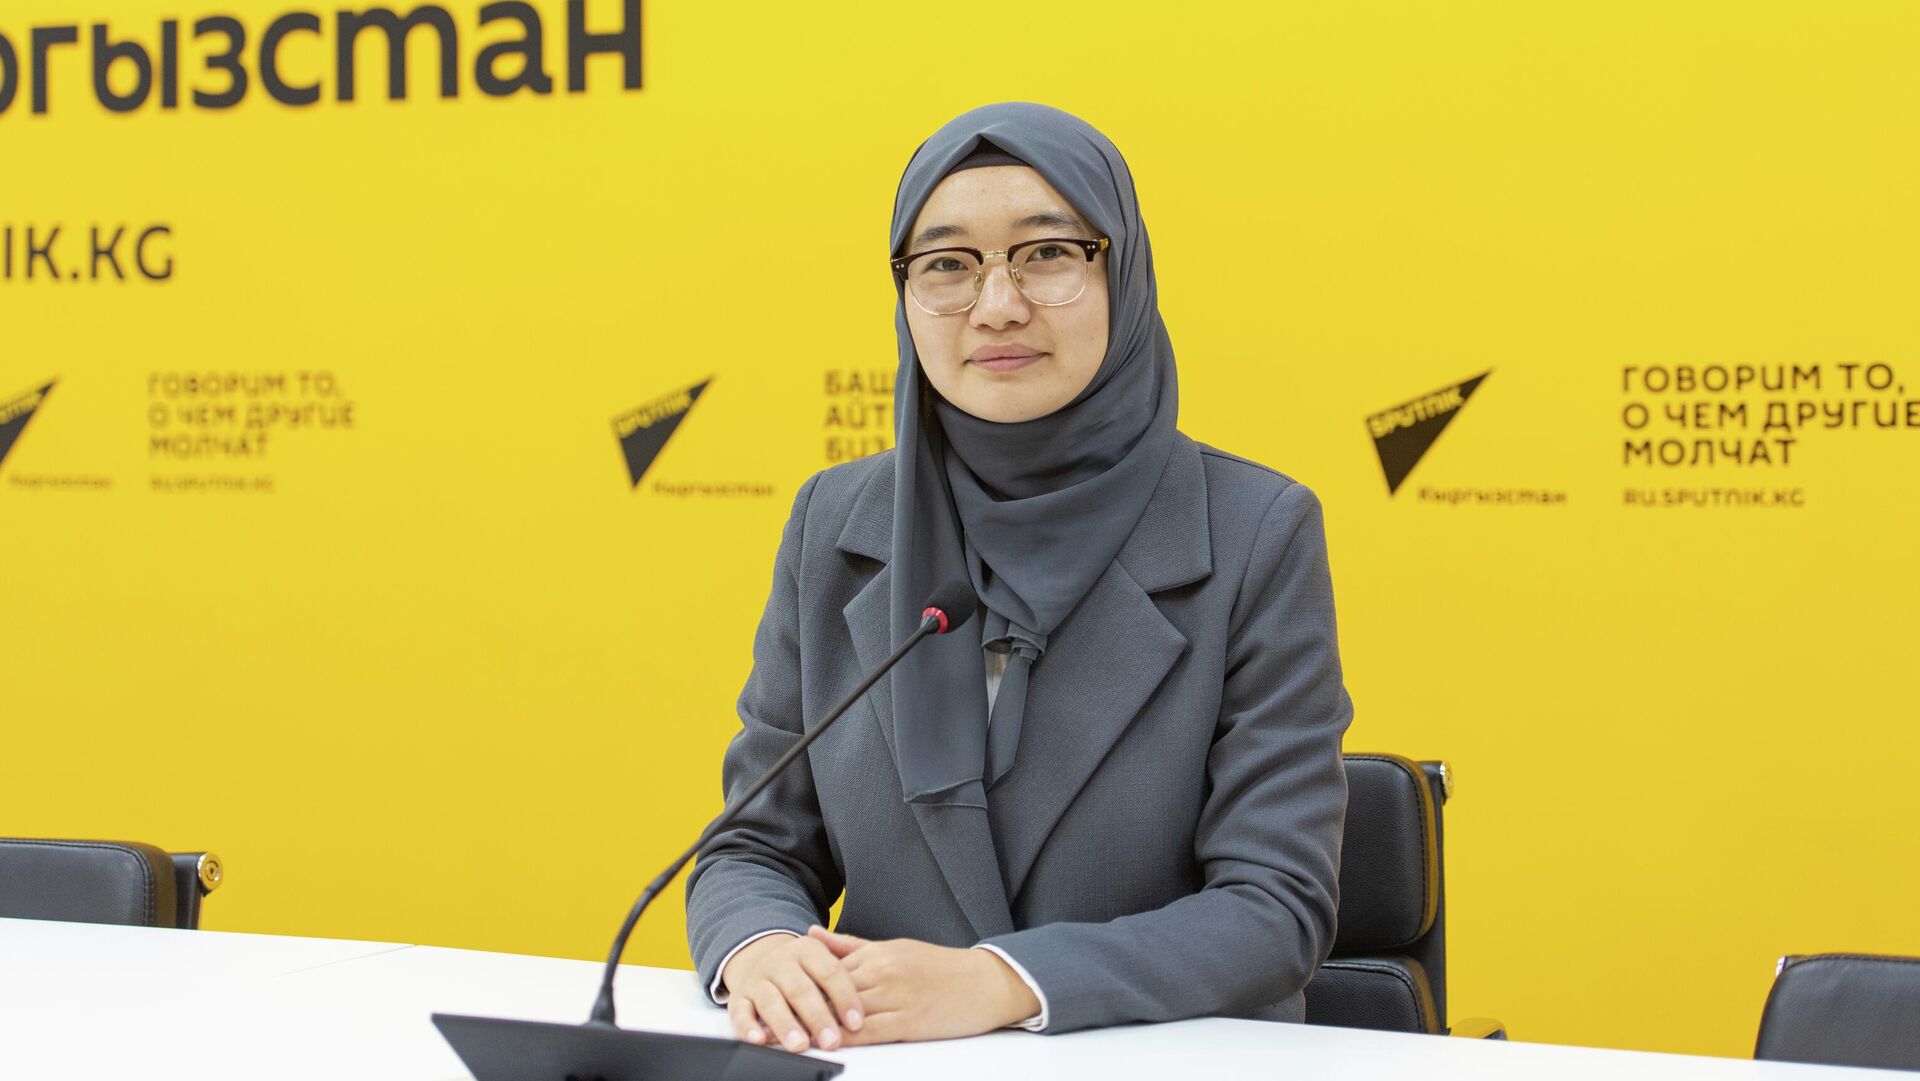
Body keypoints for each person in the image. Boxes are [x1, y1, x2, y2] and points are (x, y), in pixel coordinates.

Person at [683, 101, 1353, 1052]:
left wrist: (1000, 982)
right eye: (947, 264)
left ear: (1122, 272)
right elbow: (752, 846)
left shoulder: (1254, 531)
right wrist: (761, 948)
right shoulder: (834, 522)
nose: (996, 304)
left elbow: (1275, 905)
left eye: (1047, 254)